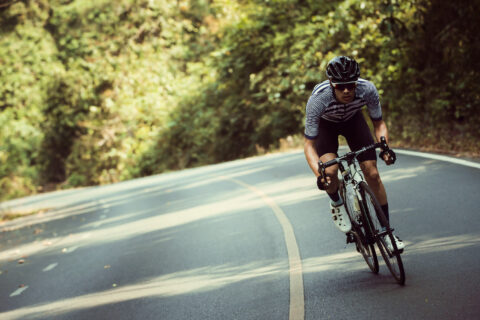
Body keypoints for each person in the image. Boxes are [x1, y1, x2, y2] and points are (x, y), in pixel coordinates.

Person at [303, 55, 405, 251]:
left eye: (351, 84)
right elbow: (308, 145)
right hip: (327, 126)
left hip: (353, 121)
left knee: (372, 173)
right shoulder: (318, 99)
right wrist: (320, 175)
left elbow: (379, 124)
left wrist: (384, 148)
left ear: (356, 82)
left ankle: (387, 233)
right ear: (332, 84)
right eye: (341, 86)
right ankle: (337, 202)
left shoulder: (367, 89)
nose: (347, 90)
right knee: (331, 173)